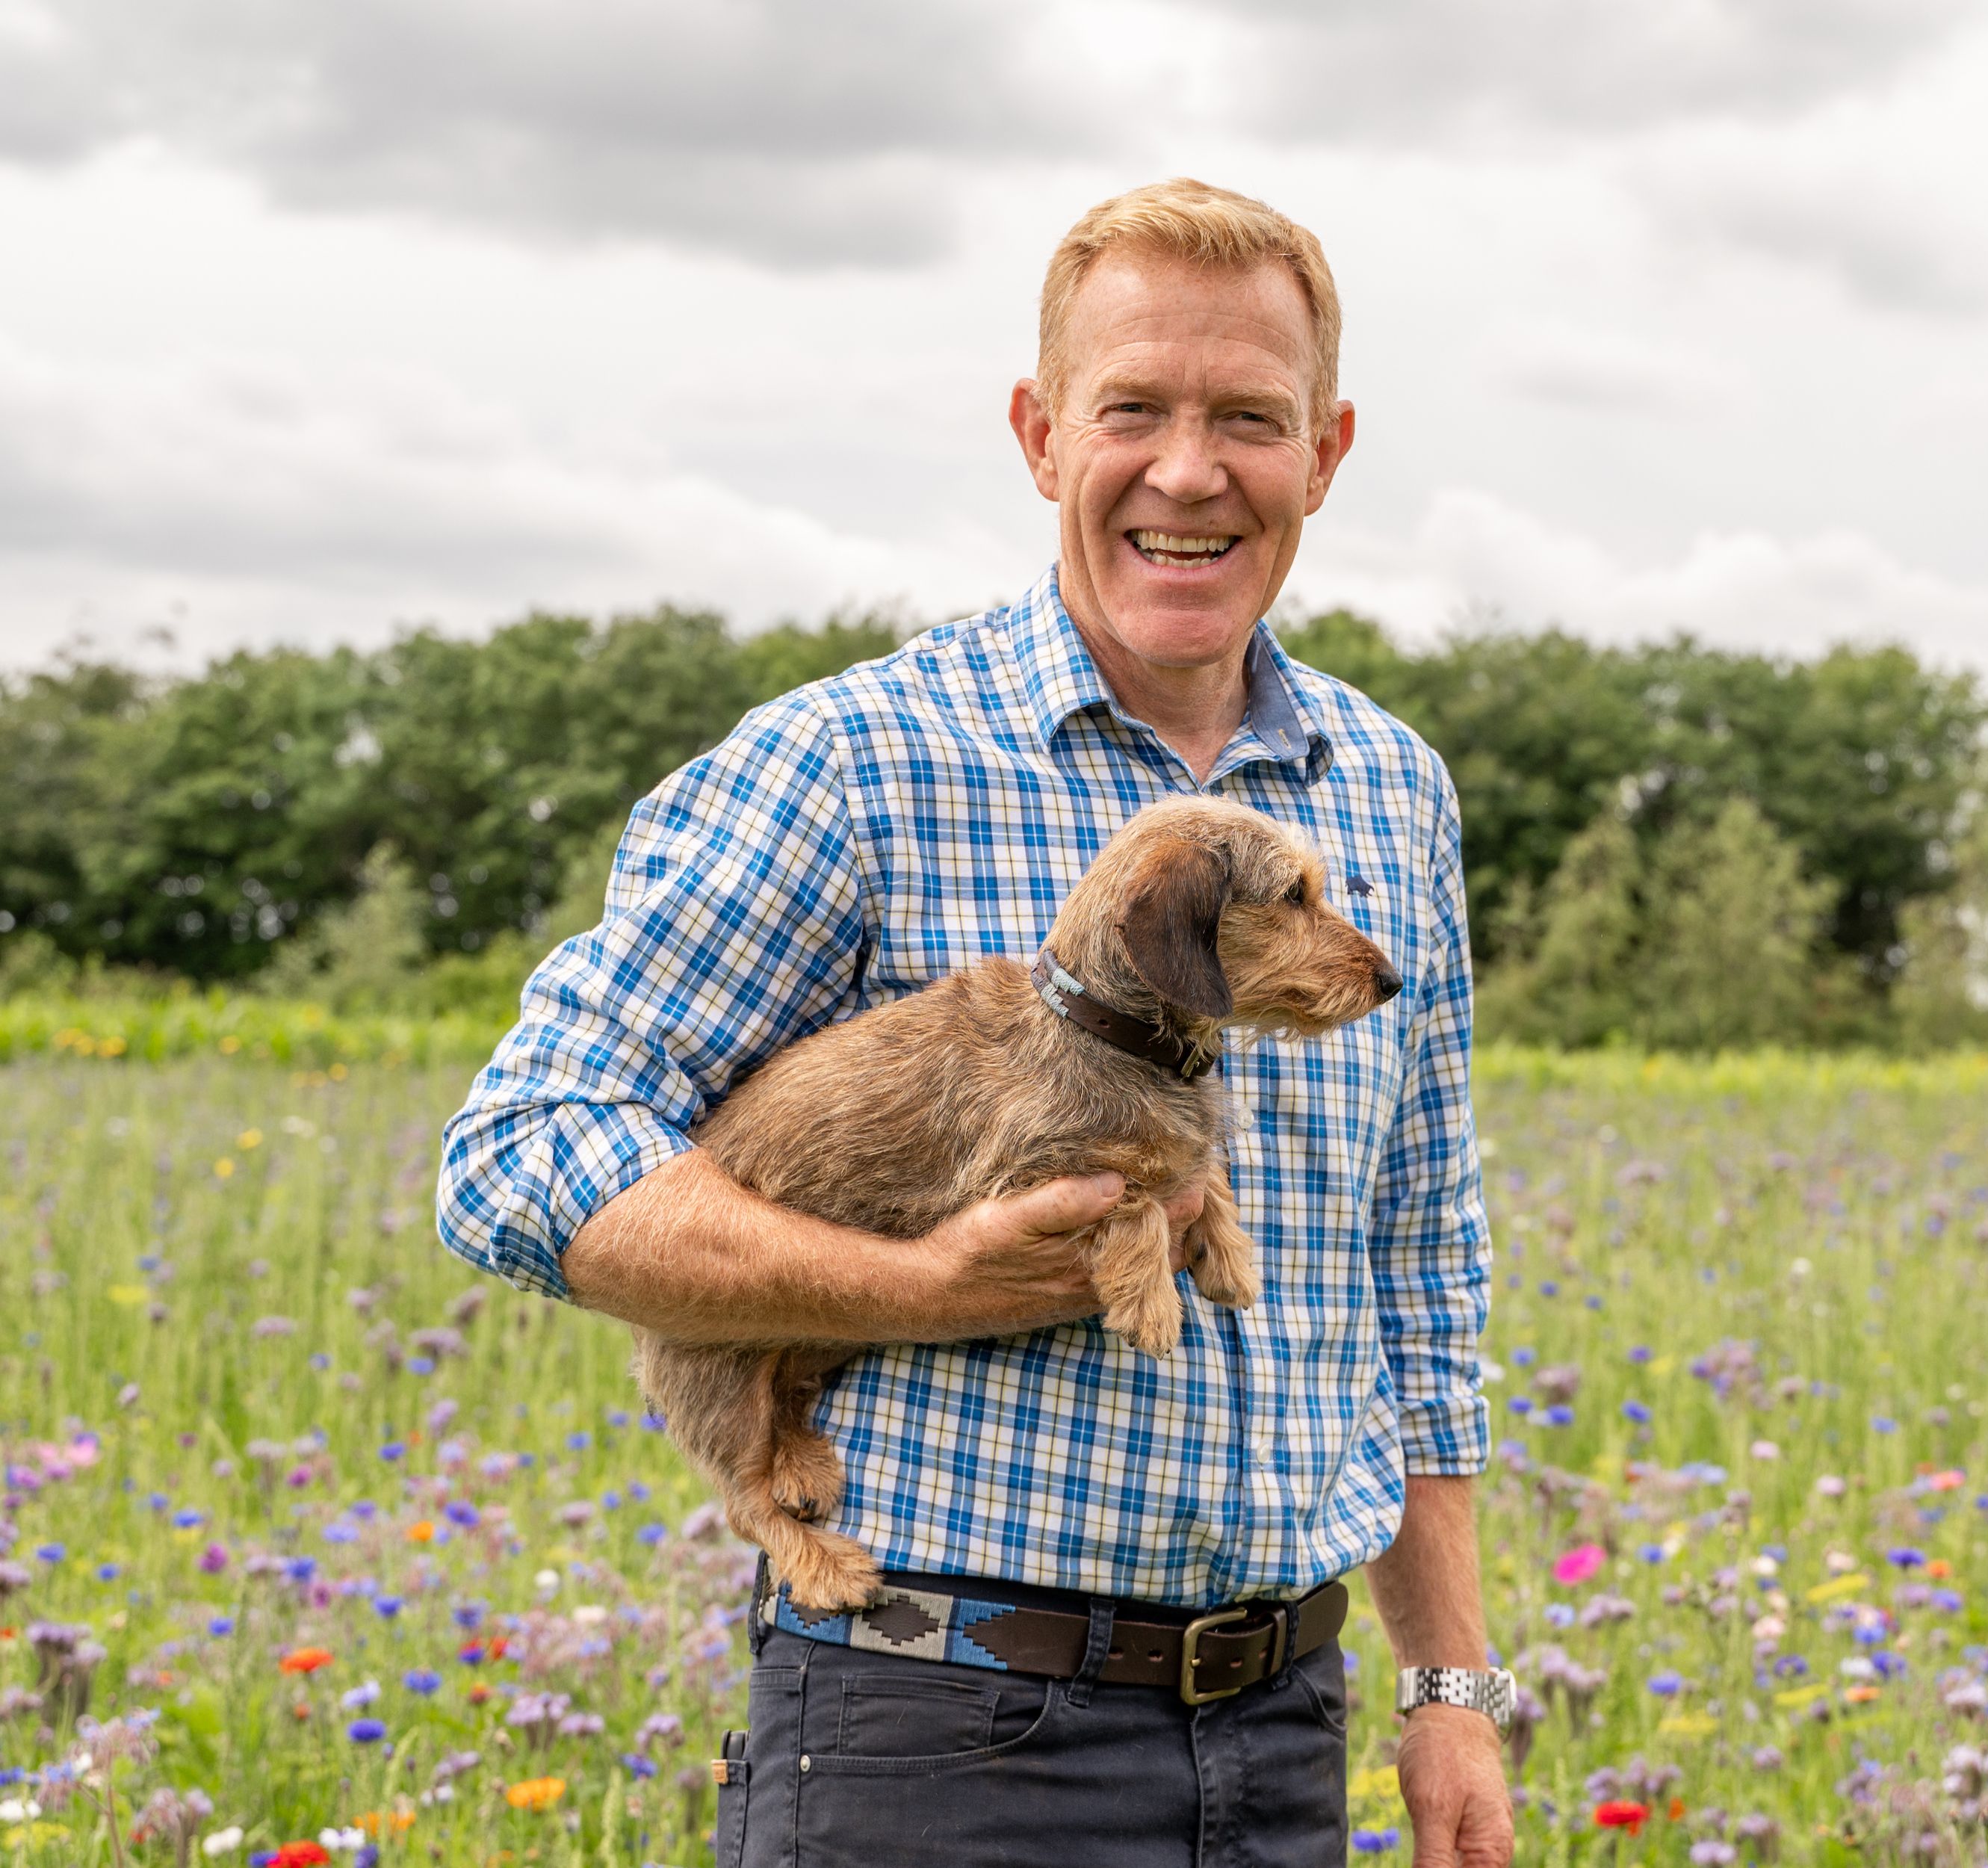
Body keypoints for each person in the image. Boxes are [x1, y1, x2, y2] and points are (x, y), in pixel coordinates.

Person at [434, 179, 1512, 1867]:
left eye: (1249, 417)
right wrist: (914, 1287)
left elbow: (1419, 1258)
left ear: (1326, 449)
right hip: (938, 1733)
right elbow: (518, 1157)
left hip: (1285, 1734)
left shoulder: (1388, 790)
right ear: (1036, 432)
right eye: (1131, 409)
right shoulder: (850, 760)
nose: (1187, 470)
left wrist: (1447, 1678)